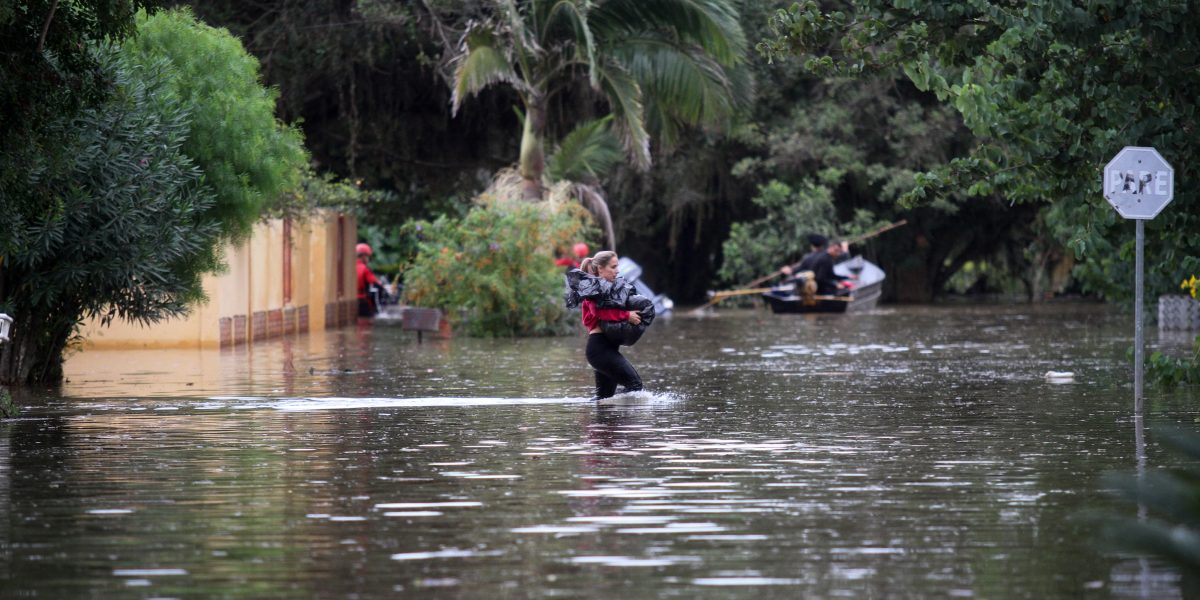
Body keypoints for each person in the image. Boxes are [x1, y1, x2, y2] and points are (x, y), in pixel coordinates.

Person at [564, 251, 644, 399]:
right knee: (635, 385)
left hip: (604, 350)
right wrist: (627, 316)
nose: (617, 270)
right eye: (613, 267)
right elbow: (598, 313)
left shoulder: (607, 290)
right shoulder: (594, 290)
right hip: (600, 350)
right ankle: (628, 420)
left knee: (604, 399)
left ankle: (600, 422)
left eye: (617, 266)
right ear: (600, 269)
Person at [356, 242, 381, 317]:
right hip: (363, 302)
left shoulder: (347, 267)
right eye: (368, 256)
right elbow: (376, 284)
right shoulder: (365, 269)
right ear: (363, 256)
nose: (368, 259)